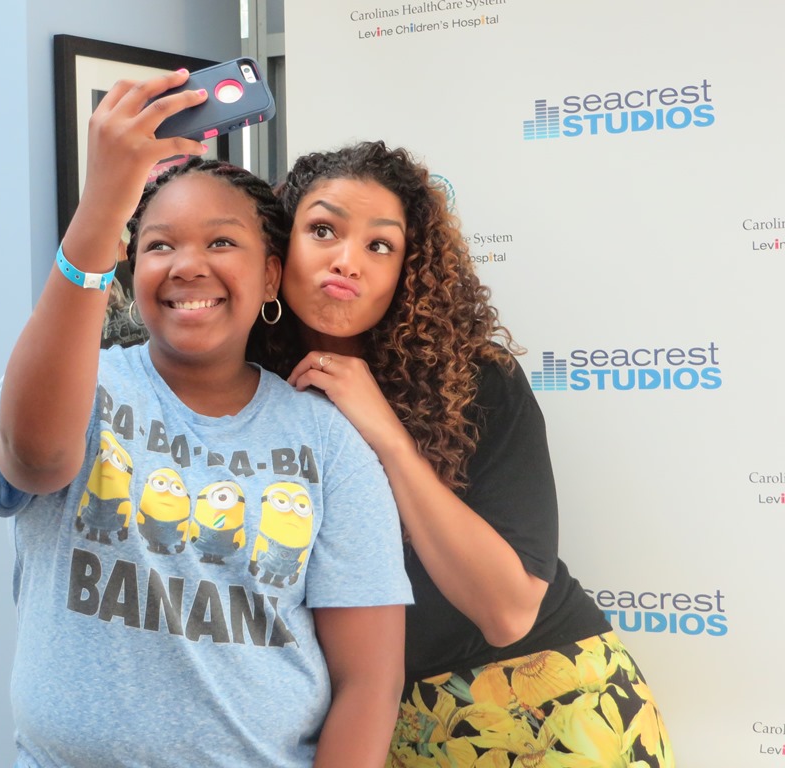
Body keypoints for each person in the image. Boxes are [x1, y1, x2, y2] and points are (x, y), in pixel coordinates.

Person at [0, 74, 411, 768]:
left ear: (271, 277)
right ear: (128, 266)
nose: (188, 265)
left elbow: (370, 681)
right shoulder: (78, 386)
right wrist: (104, 202)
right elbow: (35, 459)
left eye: (221, 243)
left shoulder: (326, 441)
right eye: (159, 245)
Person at [253, 140, 675, 767]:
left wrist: (386, 435)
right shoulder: (245, 387)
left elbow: (507, 611)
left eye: (380, 245)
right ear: (280, 248)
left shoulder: (477, 380)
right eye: (322, 230)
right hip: (377, 725)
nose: (348, 261)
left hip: (543, 703)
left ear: (408, 268)